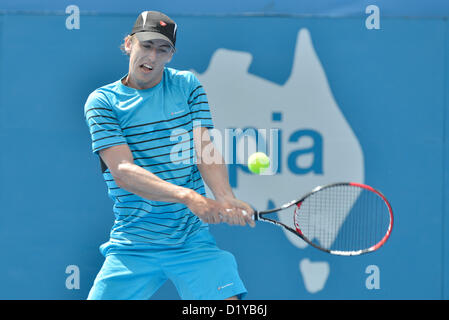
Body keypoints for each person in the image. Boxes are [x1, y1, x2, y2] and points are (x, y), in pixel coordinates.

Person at [83, 10, 254, 300]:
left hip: (190, 241)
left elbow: (205, 149)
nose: (152, 56)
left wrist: (224, 196)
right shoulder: (103, 102)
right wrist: (188, 196)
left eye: (163, 49)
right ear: (128, 44)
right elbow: (123, 171)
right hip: (133, 243)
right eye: (146, 45)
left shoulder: (187, 86)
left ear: (171, 55)